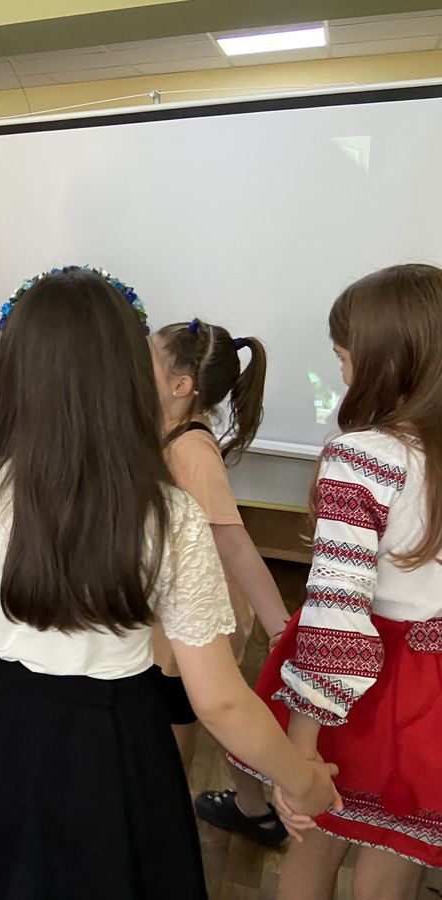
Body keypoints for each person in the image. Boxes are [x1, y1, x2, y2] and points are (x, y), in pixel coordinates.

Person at [0, 268, 339, 900]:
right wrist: (302, 780)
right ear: (126, 376)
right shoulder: (169, 513)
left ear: (15, 373)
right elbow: (220, 701)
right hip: (114, 741)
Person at [240, 264, 442, 900]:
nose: (343, 374)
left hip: (367, 691)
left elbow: (338, 609)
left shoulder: (365, 456)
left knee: (315, 838)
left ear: (385, 359)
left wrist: (302, 746)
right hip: (432, 691)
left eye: (343, 357)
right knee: (397, 856)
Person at [148, 318, 293, 844]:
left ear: (182, 385)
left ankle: (164, 825)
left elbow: (234, 544)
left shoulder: (192, 452)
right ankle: (254, 810)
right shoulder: (166, 429)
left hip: (194, 612)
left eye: (147, 360)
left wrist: (283, 630)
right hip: (174, 605)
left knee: (180, 716)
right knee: (210, 710)